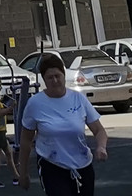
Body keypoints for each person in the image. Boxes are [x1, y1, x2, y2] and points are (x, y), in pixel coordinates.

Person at [18, 53, 107, 194]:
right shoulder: (35, 104)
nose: (55, 81)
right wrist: (23, 173)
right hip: (52, 166)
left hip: (82, 164)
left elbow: (99, 130)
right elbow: (26, 140)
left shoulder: (78, 98)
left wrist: (101, 147)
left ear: (64, 76)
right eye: (50, 77)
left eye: (57, 76)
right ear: (44, 80)